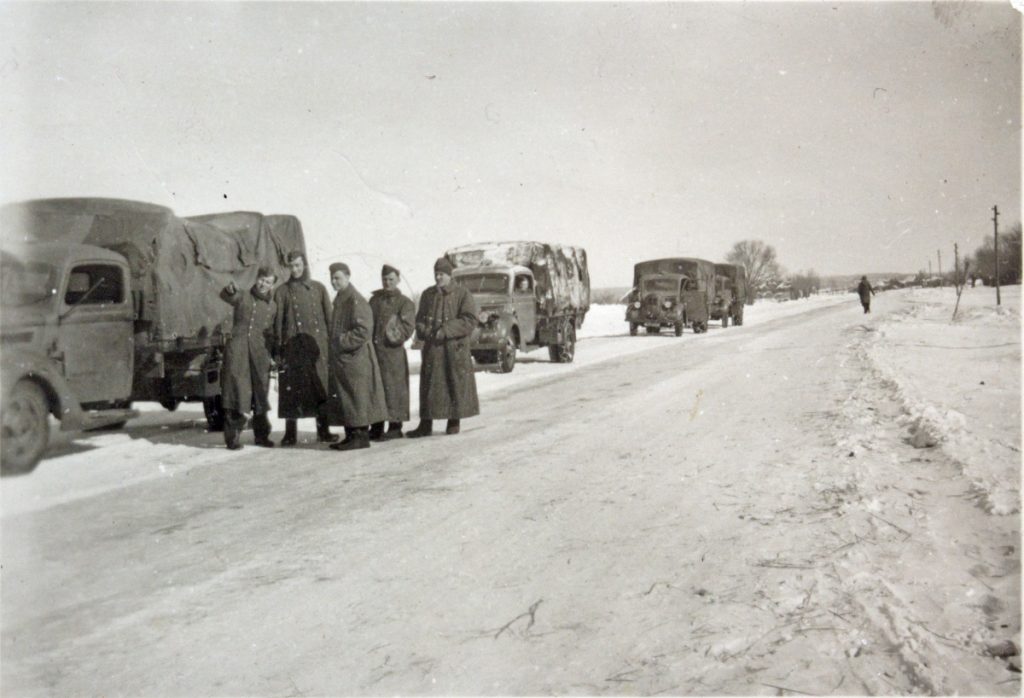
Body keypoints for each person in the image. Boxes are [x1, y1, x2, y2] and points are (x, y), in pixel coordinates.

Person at [407, 258, 480, 437]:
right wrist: (425, 331)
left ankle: (454, 421)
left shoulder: (463, 294)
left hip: (455, 350)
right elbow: (420, 320)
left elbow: (469, 320)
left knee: (453, 383)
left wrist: (446, 330)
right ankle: (425, 424)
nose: (438, 277)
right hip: (433, 350)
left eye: (442, 274)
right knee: (430, 386)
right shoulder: (427, 295)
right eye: (436, 274)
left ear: (449, 275)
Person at [273, 251, 338, 446]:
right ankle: (290, 434)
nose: (295, 269)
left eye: (298, 265)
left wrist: (330, 345)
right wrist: (278, 349)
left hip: (317, 347)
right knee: (290, 390)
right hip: (293, 347)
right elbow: (278, 324)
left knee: (320, 387)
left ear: (305, 265)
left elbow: (329, 318)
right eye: (291, 266)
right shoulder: (282, 291)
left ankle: (324, 430)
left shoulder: (318, 288)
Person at [324, 262, 389, 451]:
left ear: (348, 277)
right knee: (348, 398)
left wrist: (340, 341)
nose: (334, 281)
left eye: (338, 278)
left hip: (355, 359)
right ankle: (352, 434)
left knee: (356, 397)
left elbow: (363, 330)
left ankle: (360, 436)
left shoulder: (355, 300)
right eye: (332, 278)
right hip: (345, 359)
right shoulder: (341, 299)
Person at [219, 268, 278, 450]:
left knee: (260, 393)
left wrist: (273, 355)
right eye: (261, 280)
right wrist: (230, 290)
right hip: (238, 351)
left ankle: (261, 436)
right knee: (236, 392)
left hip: (260, 354)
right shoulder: (243, 296)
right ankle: (232, 437)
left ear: (272, 285)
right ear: (257, 279)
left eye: (268, 282)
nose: (263, 284)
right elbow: (228, 296)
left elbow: (271, 332)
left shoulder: (272, 306)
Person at [368, 264, 416, 440]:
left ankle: (396, 426)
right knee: (377, 390)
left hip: (393, 354)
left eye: (391, 279)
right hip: (375, 353)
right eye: (385, 279)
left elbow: (408, 327)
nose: (387, 283)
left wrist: (392, 333)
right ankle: (377, 426)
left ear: (398, 280)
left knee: (395, 390)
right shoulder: (374, 301)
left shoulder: (405, 303)